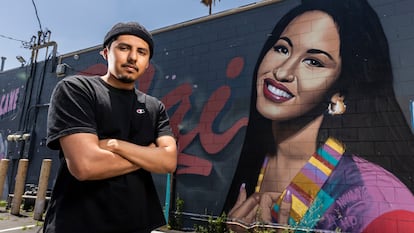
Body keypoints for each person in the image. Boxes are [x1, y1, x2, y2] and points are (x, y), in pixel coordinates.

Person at [223, 0, 414, 232]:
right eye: (282, 48)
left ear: (338, 93)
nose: (282, 72)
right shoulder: (259, 160)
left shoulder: (373, 200)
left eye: (313, 62)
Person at [43, 22, 177, 233]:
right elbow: (85, 166)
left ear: (147, 63)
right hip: (76, 225)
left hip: (136, 225)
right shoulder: (77, 89)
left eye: (142, 52)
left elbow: (169, 161)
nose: (133, 57)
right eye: (124, 48)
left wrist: (116, 145)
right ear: (106, 53)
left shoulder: (154, 107)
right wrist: (149, 155)